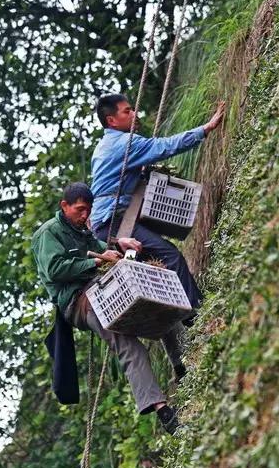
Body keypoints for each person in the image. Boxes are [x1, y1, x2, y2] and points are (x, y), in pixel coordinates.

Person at [31, 182, 182, 434]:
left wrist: (117, 245)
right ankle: (163, 412)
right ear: (64, 206)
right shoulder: (49, 233)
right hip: (80, 301)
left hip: (102, 287)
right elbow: (55, 270)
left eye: (88, 210)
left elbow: (100, 247)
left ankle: (182, 366)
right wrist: (97, 261)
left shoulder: (82, 229)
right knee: (127, 344)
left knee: (158, 304)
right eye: (80, 209)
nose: (85, 215)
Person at [88, 94, 225, 317]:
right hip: (114, 221)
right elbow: (165, 147)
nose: (134, 114)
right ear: (111, 120)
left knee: (150, 273)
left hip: (105, 222)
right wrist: (205, 129)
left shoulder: (103, 145)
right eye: (127, 111)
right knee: (170, 256)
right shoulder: (126, 143)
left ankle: (186, 321)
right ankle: (199, 315)